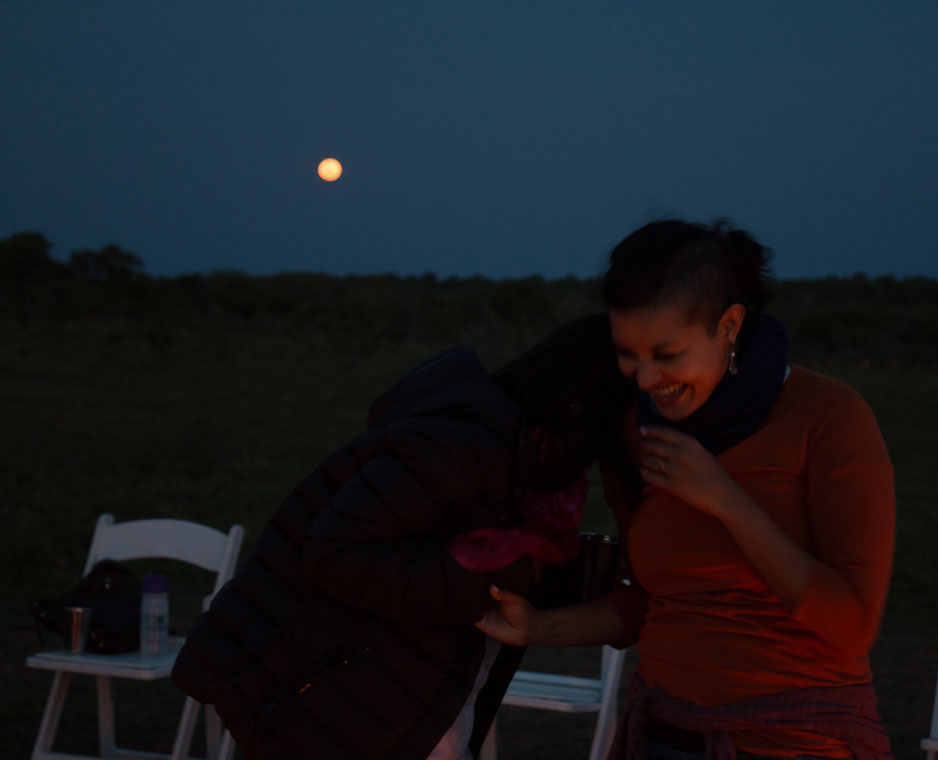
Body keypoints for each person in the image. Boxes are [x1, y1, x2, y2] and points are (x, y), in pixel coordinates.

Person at [477, 219, 896, 760]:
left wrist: (726, 501)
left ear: (729, 326)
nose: (646, 379)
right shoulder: (640, 431)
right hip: (665, 734)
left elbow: (853, 626)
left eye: (667, 355)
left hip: (791, 741)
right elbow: (649, 602)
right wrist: (538, 627)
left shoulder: (829, 417)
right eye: (629, 354)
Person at [171, 313, 635, 760]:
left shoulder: (516, 467)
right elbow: (336, 554)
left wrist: (557, 578)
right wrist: (494, 578)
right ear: (579, 409)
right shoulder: (462, 446)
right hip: (346, 706)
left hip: (403, 707)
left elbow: (437, 547)